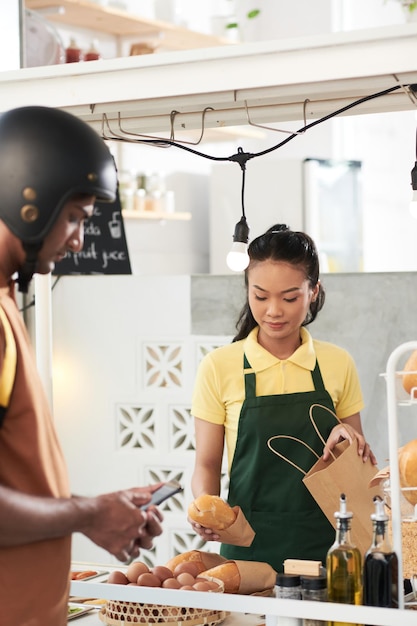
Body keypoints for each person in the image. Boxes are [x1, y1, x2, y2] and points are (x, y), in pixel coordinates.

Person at [0, 106, 164, 626]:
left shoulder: (6, 305)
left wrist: (98, 511)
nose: (77, 240)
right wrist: (90, 513)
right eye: (74, 217)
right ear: (28, 199)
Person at [189, 224, 377, 572]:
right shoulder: (219, 366)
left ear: (313, 292)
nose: (274, 310)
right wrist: (205, 505)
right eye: (260, 296)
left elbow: (356, 459)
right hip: (248, 549)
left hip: (331, 545)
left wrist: (349, 442)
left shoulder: (337, 363)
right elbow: (207, 462)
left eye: (289, 297)